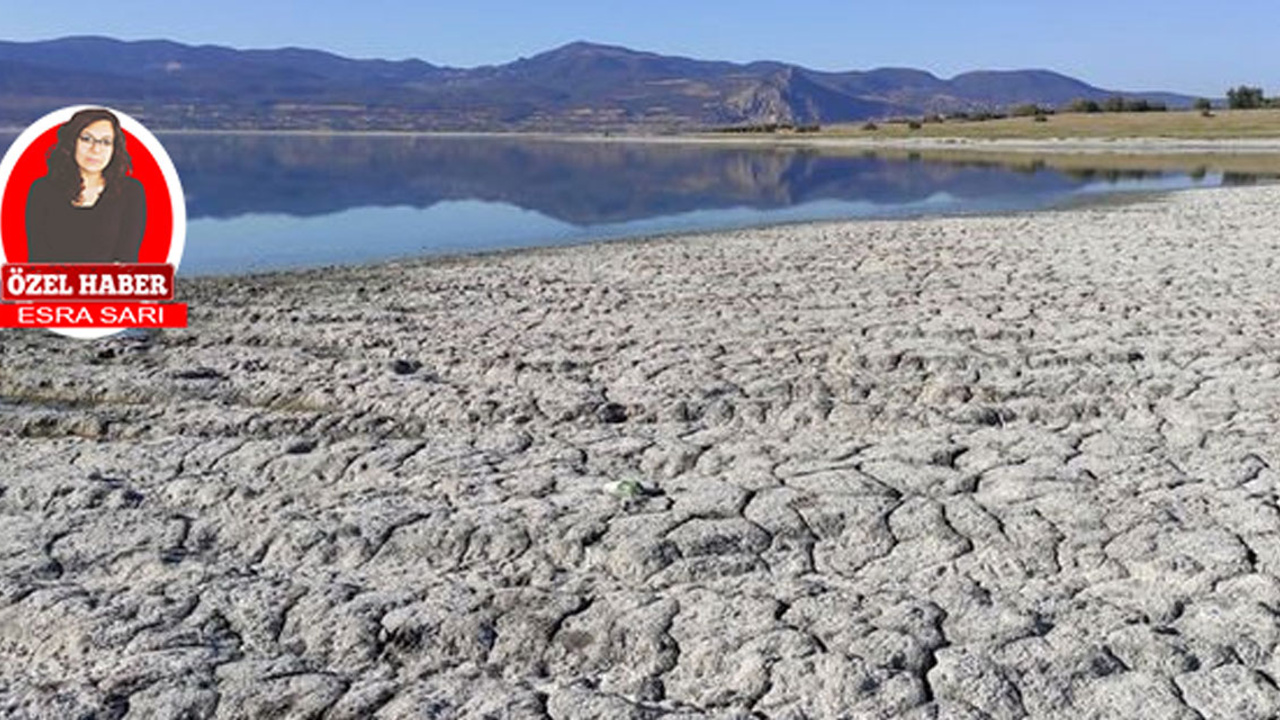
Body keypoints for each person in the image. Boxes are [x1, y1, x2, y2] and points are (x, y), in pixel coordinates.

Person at [24, 108, 146, 263]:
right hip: (54, 285)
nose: (95, 149)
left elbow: (127, 262)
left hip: (110, 286)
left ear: (114, 149)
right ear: (72, 142)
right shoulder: (42, 190)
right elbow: (37, 260)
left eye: (106, 142)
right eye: (87, 139)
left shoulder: (131, 191)